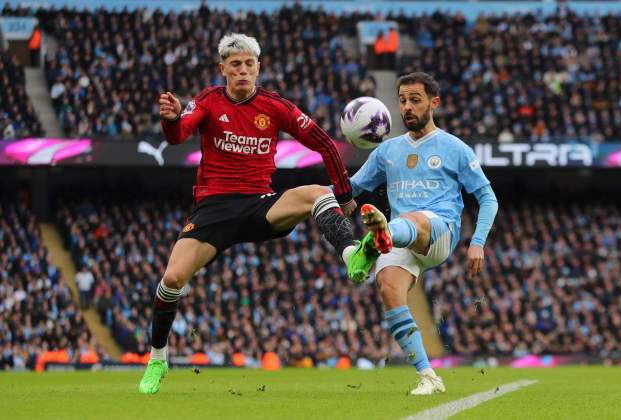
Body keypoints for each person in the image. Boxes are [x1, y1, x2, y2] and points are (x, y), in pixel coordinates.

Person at [139, 33, 359, 394]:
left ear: (259, 67)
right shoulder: (208, 101)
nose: (242, 71)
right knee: (173, 278)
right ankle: (158, 359)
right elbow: (179, 135)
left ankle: (352, 256)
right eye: (235, 64)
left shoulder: (275, 106)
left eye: (249, 64)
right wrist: (170, 118)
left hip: (261, 203)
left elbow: (322, 142)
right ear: (222, 68)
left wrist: (345, 194)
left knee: (318, 194)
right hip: (214, 209)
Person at [346, 72, 499, 395]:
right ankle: (428, 375)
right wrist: (321, 197)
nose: (407, 107)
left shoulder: (454, 148)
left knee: (413, 218)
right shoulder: (387, 152)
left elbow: (487, 197)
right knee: (388, 288)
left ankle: (377, 238)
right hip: (402, 236)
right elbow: (352, 189)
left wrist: (478, 242)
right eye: (402, 100)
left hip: (438, 232)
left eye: (415, 99)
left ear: (434, 102)